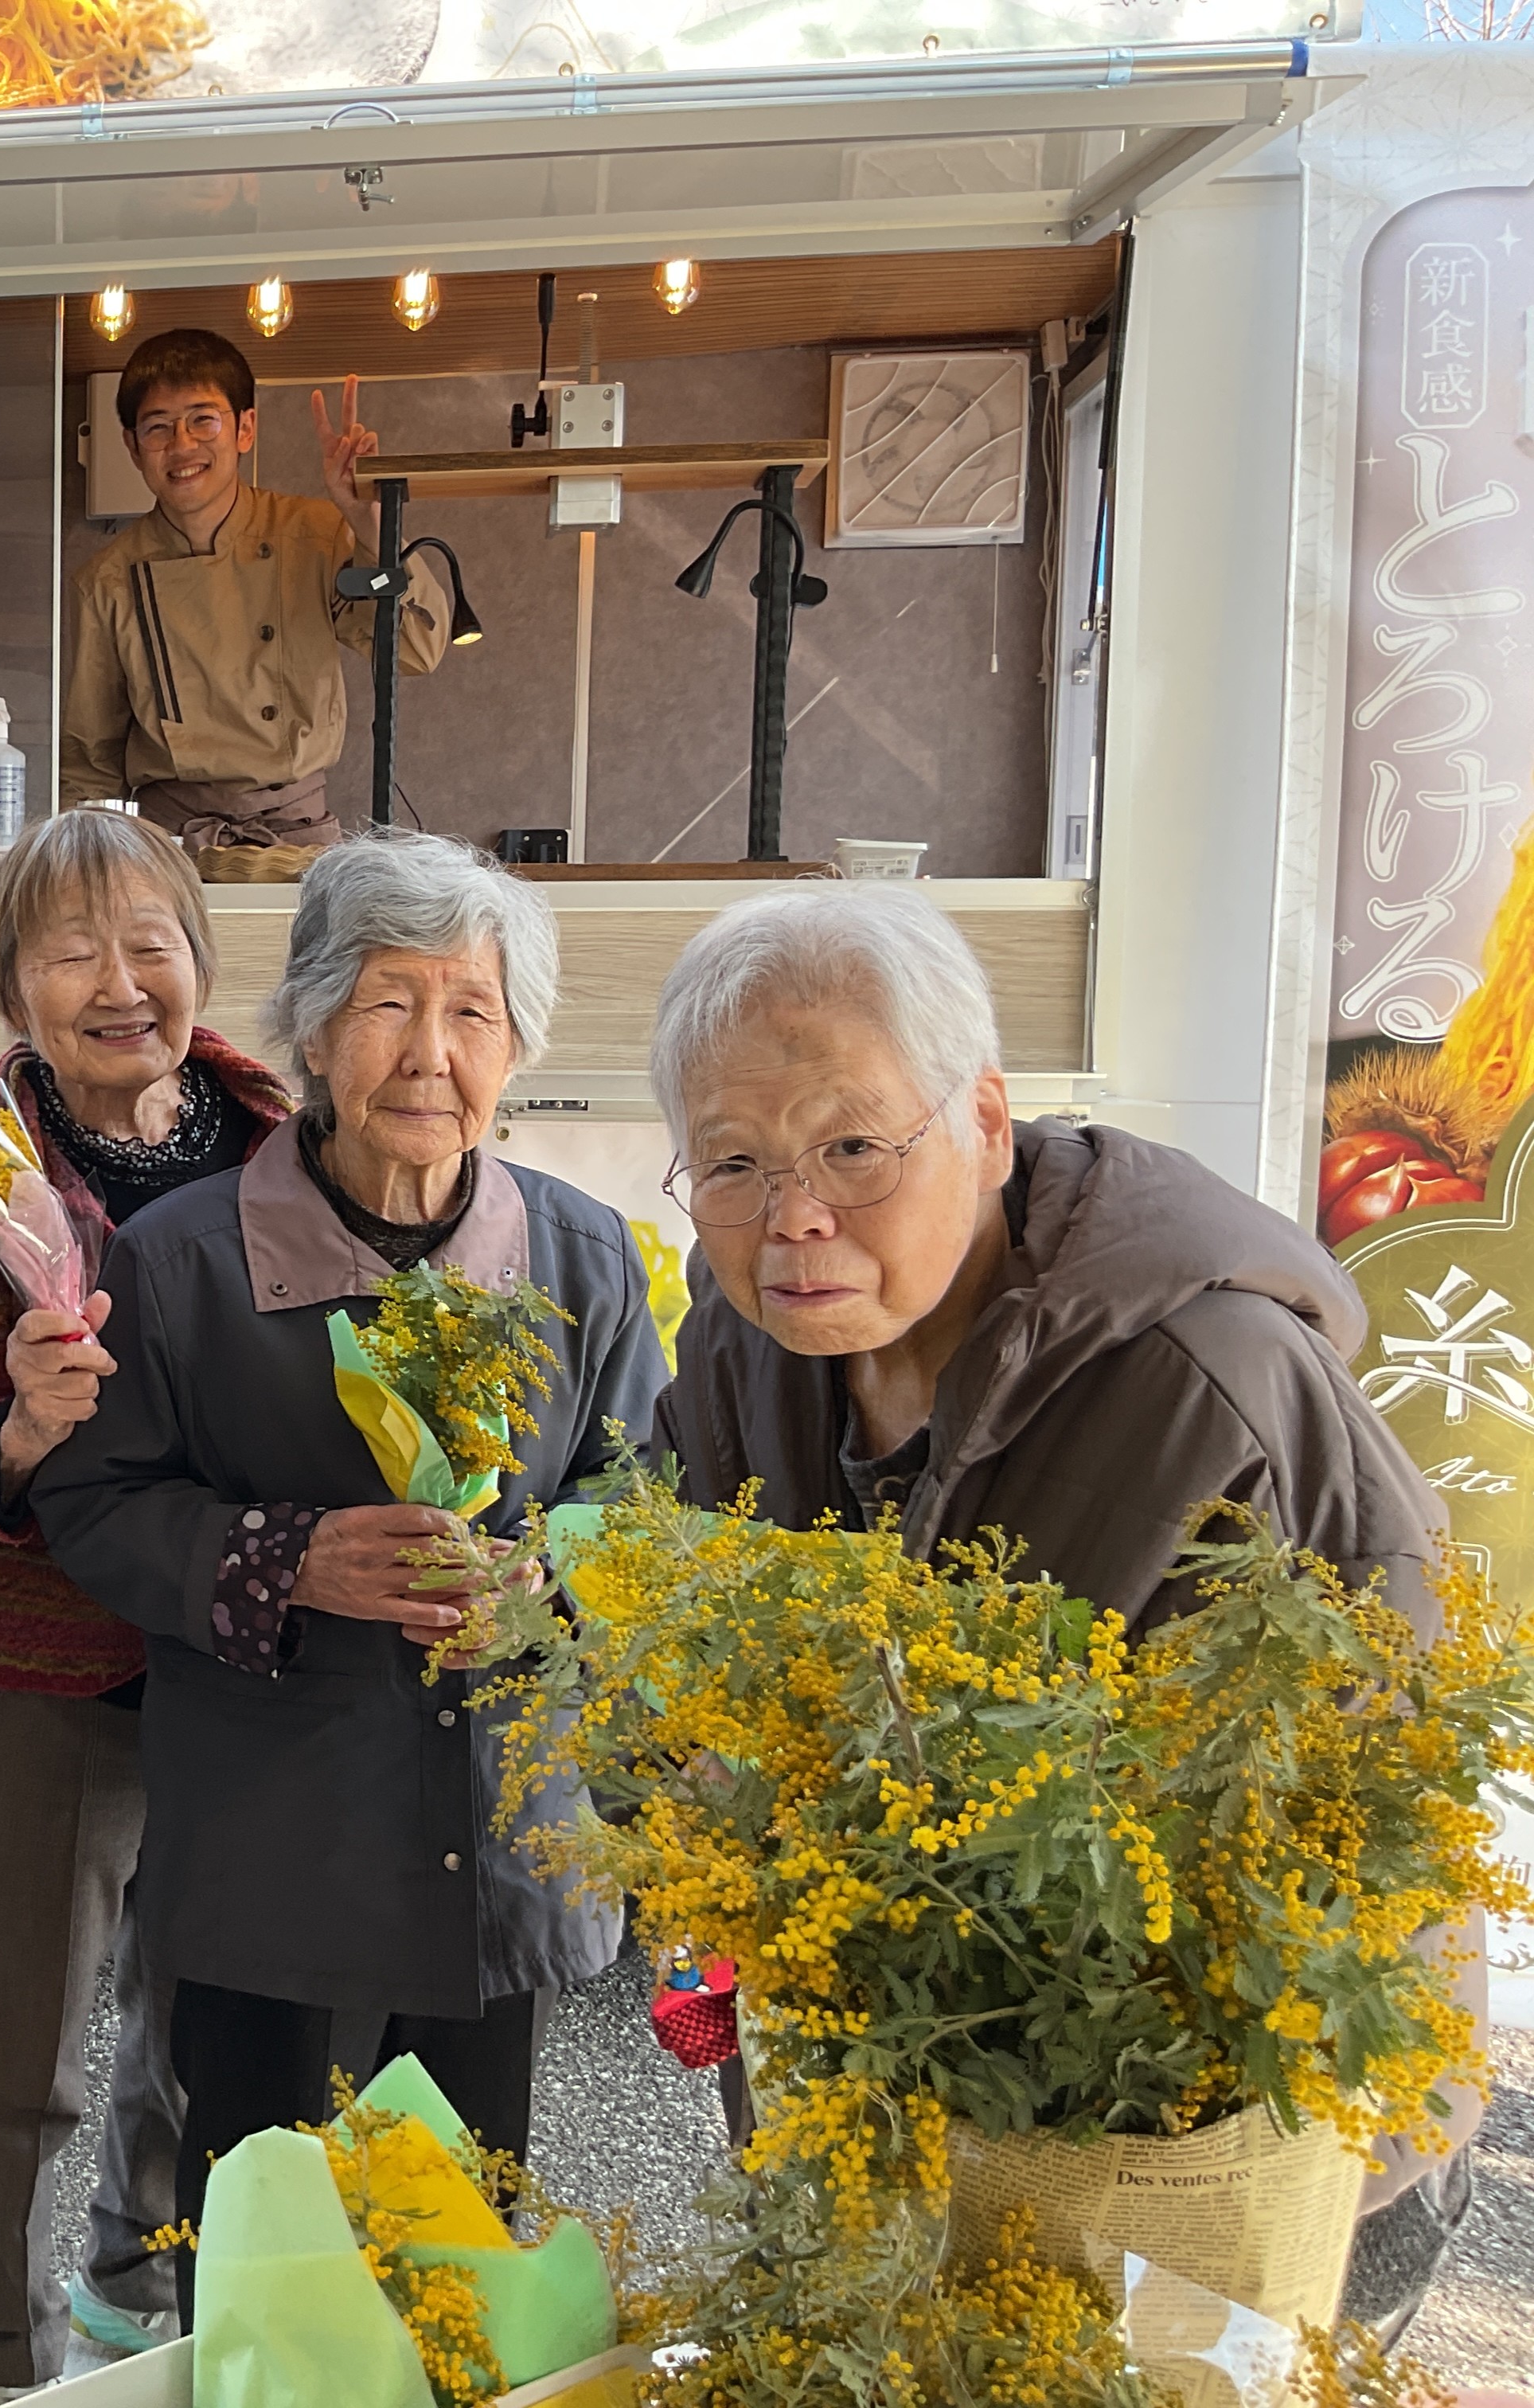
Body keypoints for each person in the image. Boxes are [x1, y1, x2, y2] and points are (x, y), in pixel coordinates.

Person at [642, 878, 1482, 2322]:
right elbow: (663, 1637)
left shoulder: (1212, 1382)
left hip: (1213, 2147)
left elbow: (1346, 1823)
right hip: (904, 2105)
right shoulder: (738, 1347)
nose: (792, 1217)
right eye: (729, 1161)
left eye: (851, 1147)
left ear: (981, 1117)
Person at [33, 831, 666, 2319]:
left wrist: (548, 1581)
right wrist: (290, 1556)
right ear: (313, 1026)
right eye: (389, 1001)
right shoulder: (178, 1261)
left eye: (472, 1010)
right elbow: (93, 1501)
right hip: (272, 1844)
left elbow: (644, 1499)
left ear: (517, 1043)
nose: (431, 1051)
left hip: (494, 1837)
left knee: (460, 2257)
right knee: (262, 2258)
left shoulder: (581, 1257)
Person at [0, 807, 296, 2385]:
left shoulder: (290, 1157)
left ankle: (144, 2299)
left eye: (150, 942)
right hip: (38, 1678)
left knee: (204, 2035)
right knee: (21, 2059)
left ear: (199, 960)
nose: (119, 982)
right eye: (71, 952)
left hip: (242, 1661)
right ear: (13, 986)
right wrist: (21, 1425)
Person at [61, 330, 455, 848]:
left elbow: (417, 651)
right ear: (133, 448)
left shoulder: (316, 534)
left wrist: (370, 522)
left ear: (245, 428)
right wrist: (89, 869)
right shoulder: (107, 580)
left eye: (204, 419)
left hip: (298, 840)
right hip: (170, 845)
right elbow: (92, 762)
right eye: (158, 427)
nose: (182, 446)